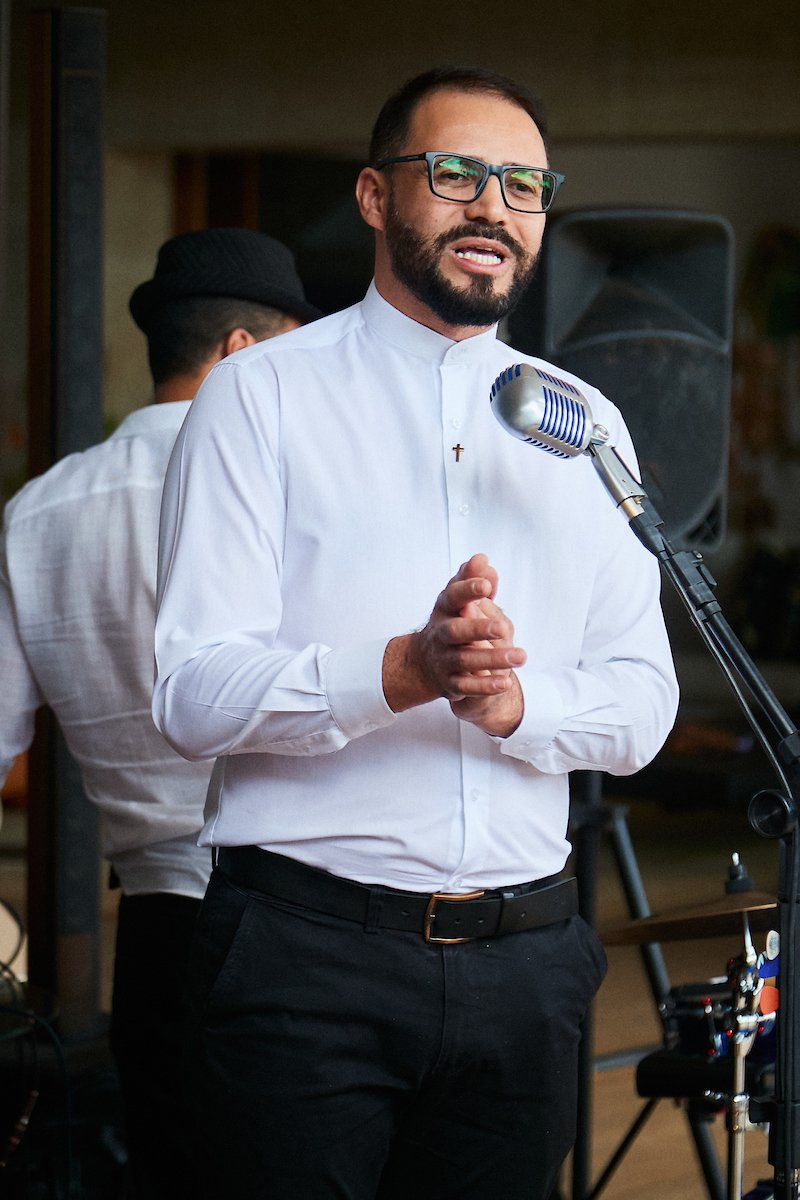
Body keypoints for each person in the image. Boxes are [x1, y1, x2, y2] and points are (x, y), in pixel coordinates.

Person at [153, 68, 679, 1200]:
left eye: (524, 185)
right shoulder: (261, 398)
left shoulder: (584, 425)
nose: (493, 206)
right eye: (456, 174)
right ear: (374, 196)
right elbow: (189, 695)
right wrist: (400, 671)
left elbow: (641, 705)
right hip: (306, 965)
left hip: (527, 966)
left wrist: (513, 704)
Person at [0, 226, 319, 1198]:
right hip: (305, 928)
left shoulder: (42, 513)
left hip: (155, 944)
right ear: (241, 354)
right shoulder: (295, 491)